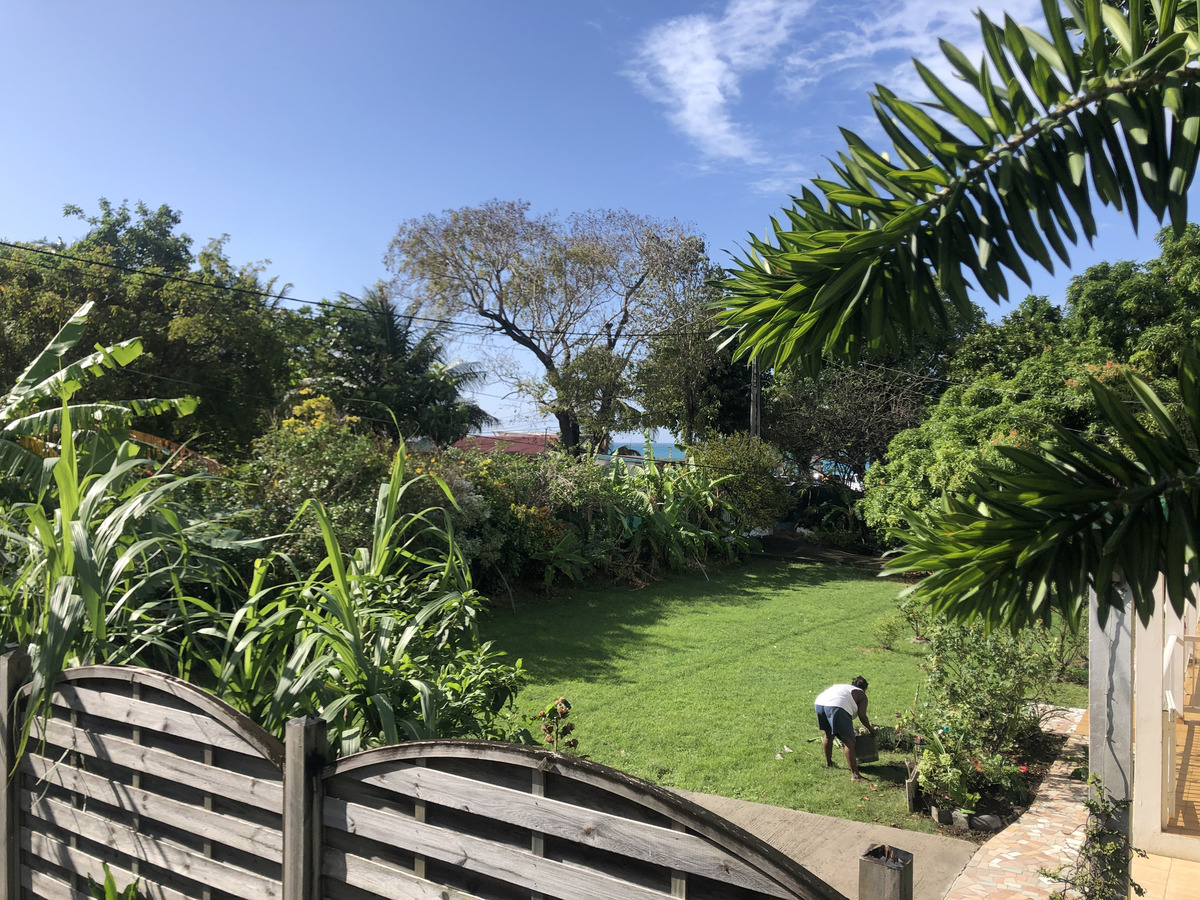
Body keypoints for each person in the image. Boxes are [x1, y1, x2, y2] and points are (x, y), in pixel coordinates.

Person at [814, 676, 876, 781]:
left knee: (829, 735)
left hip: (820, 703)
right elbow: (862, 716)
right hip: (837, 707)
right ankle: (855, 775)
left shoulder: (843, 687)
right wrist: (871, 729)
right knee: (849, 741)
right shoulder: (862, 694)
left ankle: (829, 763)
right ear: (865, 688)